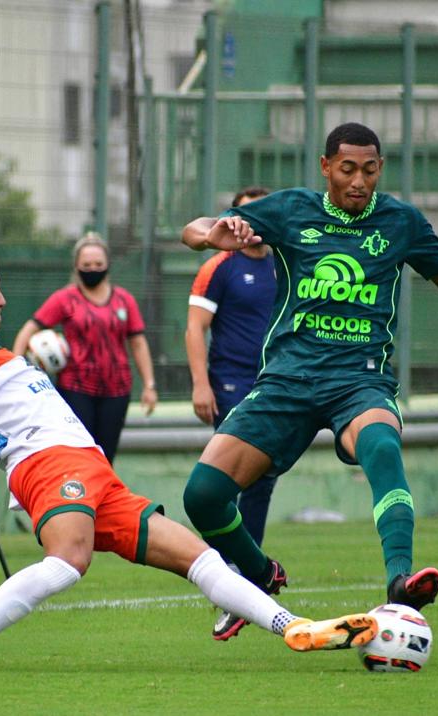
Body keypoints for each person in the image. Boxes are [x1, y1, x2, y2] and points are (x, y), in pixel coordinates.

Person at [0, 242, 378, 672]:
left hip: (93, 469)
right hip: (47, 464)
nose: (2, 300)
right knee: (68, 561)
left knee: (199, 557)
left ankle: (295, 627)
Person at [180, 122, 438, 617]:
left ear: (380, 170)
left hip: (359, 379)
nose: (358, 182)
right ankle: (261, 571)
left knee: (382, 443)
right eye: (347, 169)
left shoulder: (400, 222)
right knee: (202, 496)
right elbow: (194, 228)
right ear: (326, 167)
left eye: (369, 171)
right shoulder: (289, 210)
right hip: (288, 378)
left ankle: (400, 580)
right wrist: (212, 236)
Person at [185, 185, 283, 640]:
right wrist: (201, 383)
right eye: (244, 216)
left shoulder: (286, 264)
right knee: (227, 481)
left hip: (278, 385)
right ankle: (227, 578)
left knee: (264, 478)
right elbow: (195, 328)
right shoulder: (220, 266)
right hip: (231, 384)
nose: (251, 225)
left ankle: (245, 573)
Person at [12, 232, 157, 464]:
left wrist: (149, 385)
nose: (93, 269)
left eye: (98, 264)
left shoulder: (124, 300)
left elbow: (138, 343)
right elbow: (30, 328)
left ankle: (102, 500)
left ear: (108, 265)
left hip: (117, 391)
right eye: (86, 264)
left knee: (105, 459)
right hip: (75, 389)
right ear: (76, 266)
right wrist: (16, 370)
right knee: (79, 456)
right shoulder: (65, 298)